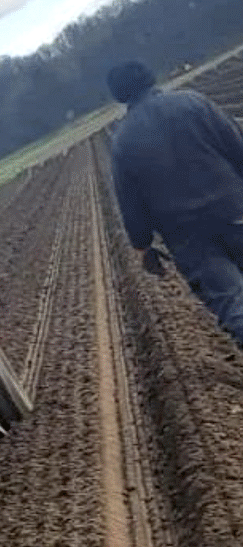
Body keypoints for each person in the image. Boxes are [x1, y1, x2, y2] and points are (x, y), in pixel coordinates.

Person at [106, 60, 243, 347]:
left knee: (232, 302)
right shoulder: (193, 103)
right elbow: (235, 146)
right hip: (234, 210)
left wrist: (143, 246)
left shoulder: (123, 141)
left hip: (188, 237)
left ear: (118, 95)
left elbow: (130, 202)